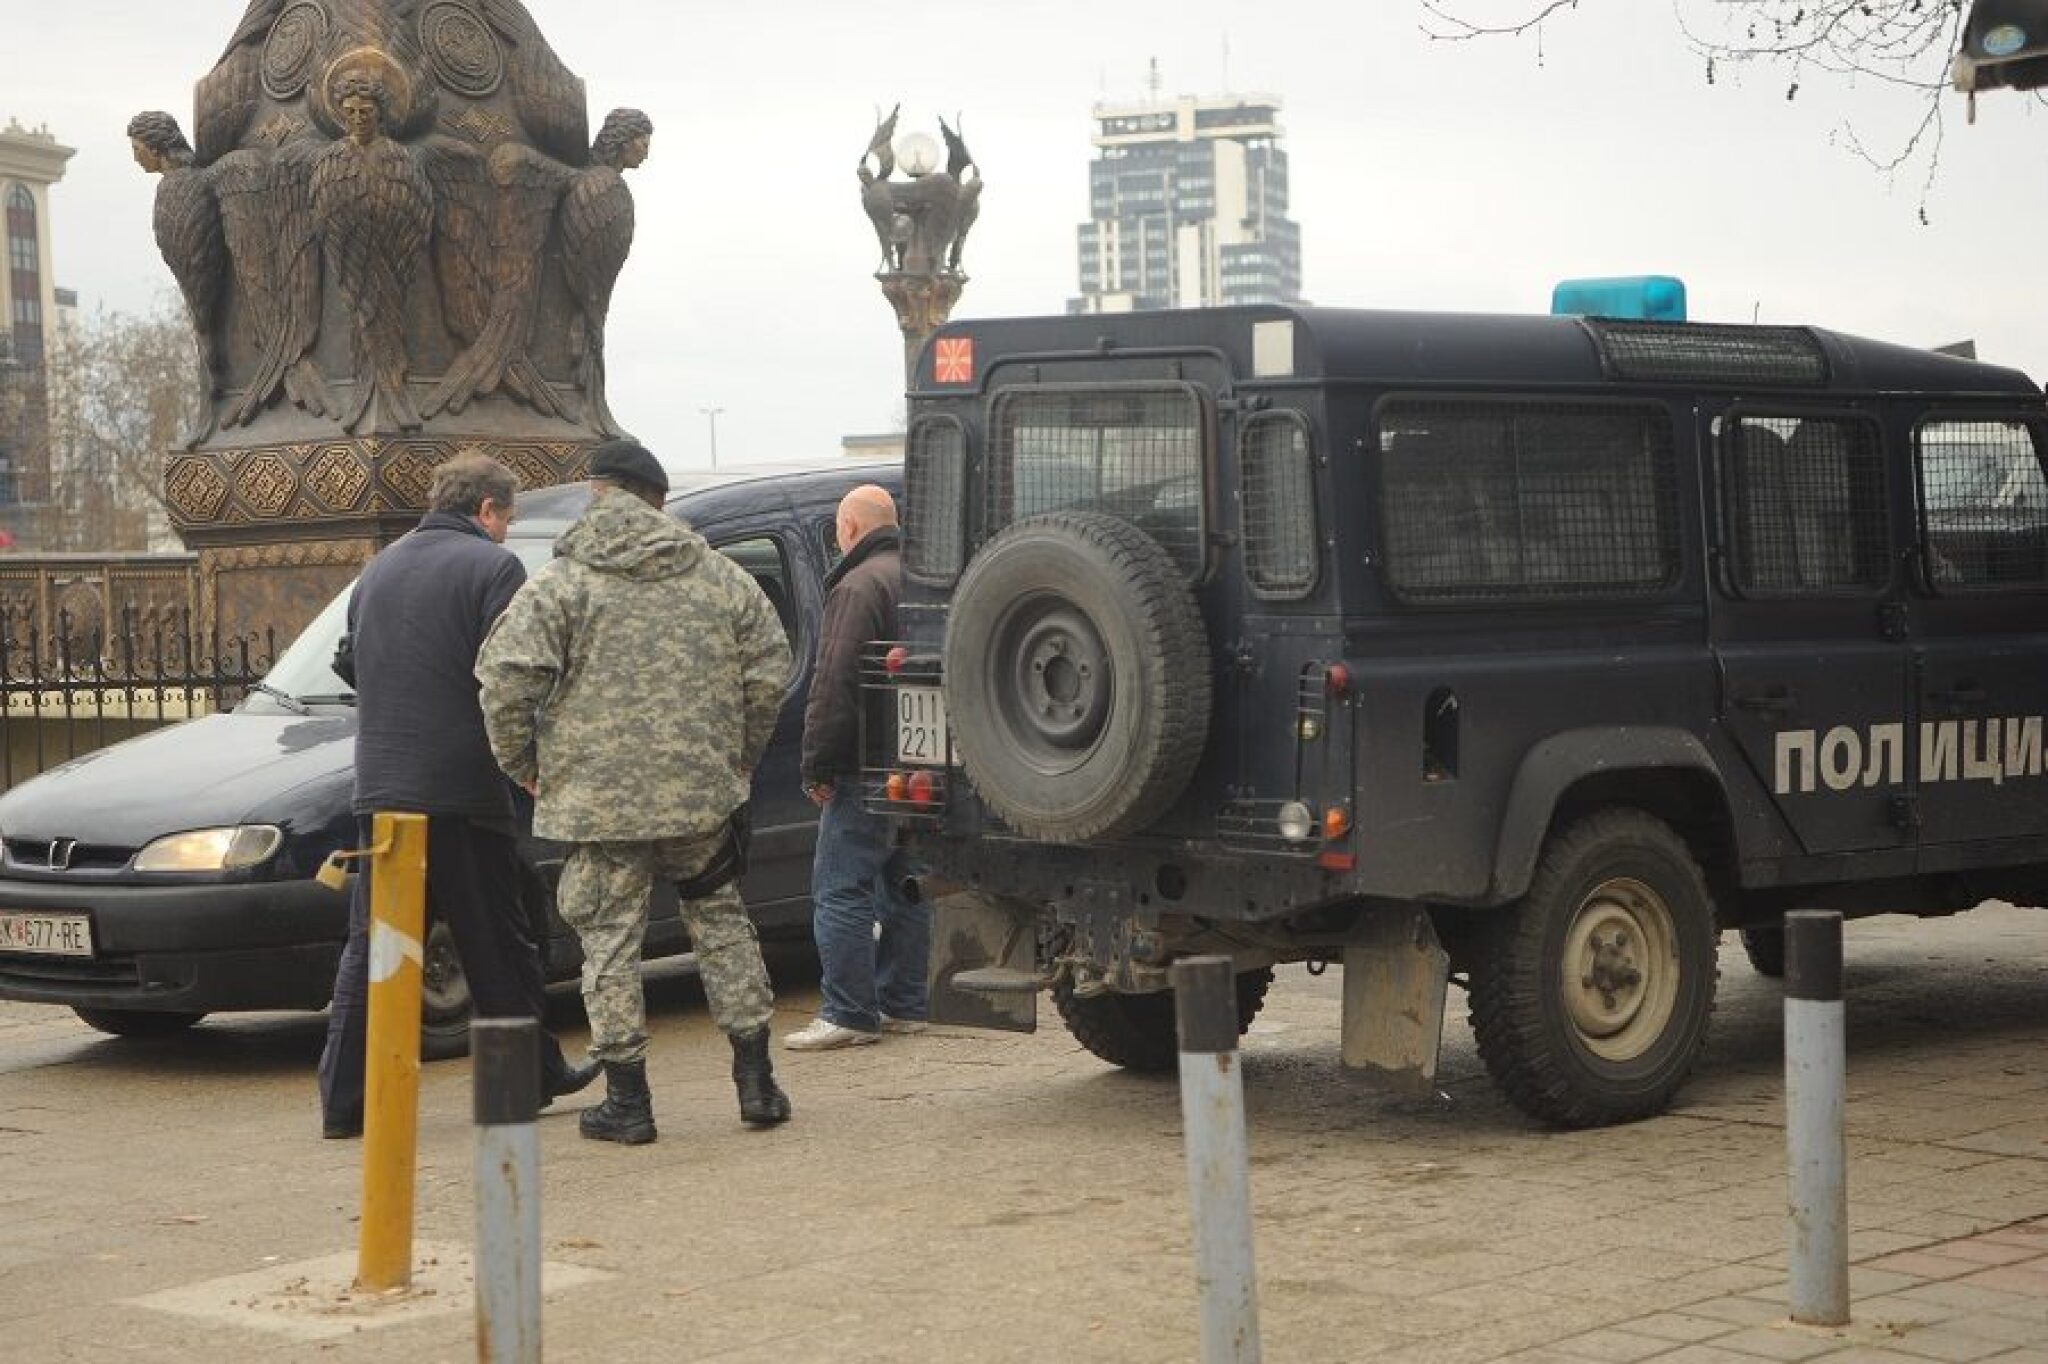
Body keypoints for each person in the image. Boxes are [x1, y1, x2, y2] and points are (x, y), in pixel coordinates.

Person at [475, 439, 793, 1145]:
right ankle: (757, 1083)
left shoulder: (561, 584)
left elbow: (503, 679)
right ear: (657, 499)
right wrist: (736, 756)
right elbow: (770, 669)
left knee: (610, 942)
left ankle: (630, 1101)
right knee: (721, 922)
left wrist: (523, 762)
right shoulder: (719, 577)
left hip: (599, 800)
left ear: (598, 492)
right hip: (700, 796)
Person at [317, 452, 596, 1140]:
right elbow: (510, 675)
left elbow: (353, 662)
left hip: (380, 786)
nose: (507, 533)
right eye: (508, 518)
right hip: (463, 786)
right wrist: (531, 758)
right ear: (487, 511)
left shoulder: (377, 568)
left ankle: (344, 1103)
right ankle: (521, 1085)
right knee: (495, 940)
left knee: (373, 945)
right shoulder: (493, 569)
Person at [786, 485, 932, 1051]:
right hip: (919, 761)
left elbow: (835, 681)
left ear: (848, 527)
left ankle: (848, 1011)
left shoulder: (857, 585)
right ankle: (905, 1004)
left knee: (840, 887)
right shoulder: (922, 576)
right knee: (905, 883)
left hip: (864, 762)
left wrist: (817, 763)